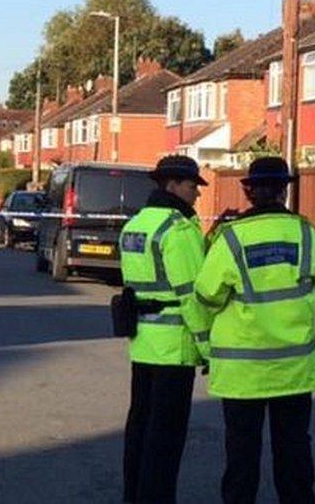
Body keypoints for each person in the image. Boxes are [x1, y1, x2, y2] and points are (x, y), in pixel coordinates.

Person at [190, 157, 315, 504]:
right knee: (294, 450)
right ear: (284, 191)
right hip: (293, 369)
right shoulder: (307, 232)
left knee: (242, 454)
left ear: (249, 191)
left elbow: (207, 294)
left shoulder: (231, 237)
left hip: (243, 371)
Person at [119, 155, 208, 503]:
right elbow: (192, 295)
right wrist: (207, 347)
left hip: (143, 341)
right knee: (167, 435)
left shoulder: (136, 224)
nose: (197, 195)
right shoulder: (178, 229)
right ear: (171, 185)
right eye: (191, 187)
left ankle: (135, 494)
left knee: (139, 425)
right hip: (175, 345)